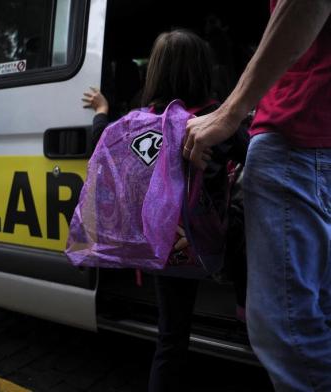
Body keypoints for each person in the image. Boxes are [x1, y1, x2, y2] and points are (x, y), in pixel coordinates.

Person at [83, 29, 246, 392]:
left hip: (165, 248)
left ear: (154, 72)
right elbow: (252, 156)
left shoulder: (133, 125)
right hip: (211, 244)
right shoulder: (218, 121)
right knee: (245, 217)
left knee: (170, 340)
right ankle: (245, 304)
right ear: (205, 71)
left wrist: (103, 110)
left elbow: (99, 143)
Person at [184, 1, 331, 390]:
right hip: (317, 140)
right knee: (320, 314)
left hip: (297, 133)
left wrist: (230, 111)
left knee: (288, 332)